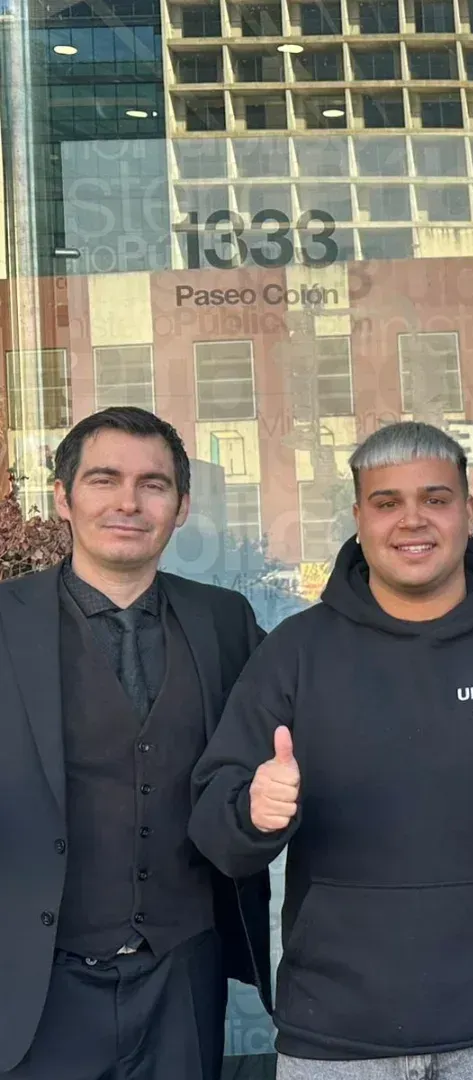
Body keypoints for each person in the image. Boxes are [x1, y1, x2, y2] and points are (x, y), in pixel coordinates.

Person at [189, 421, 473, 1080]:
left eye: (435, 499)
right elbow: (216, 821)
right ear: (359, 518)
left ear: (468, 513)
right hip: (335, 1036)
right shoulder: (296, 653)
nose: (413, 519)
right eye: (388, 502)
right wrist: (253, 812)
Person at [0, 406, 271, 1080]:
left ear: (180, 507)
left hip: (184, 977)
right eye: (103, 480)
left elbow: (315, 708)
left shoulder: (224, 620)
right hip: (35, 987)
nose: (128, 502)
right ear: (62, 498)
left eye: (153, 484)